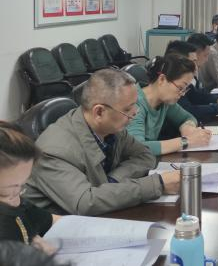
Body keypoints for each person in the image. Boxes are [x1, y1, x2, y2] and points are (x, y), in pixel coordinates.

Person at [23, 69, 179, 215]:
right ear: (99, 112)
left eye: (135, 105)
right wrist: (157, 184)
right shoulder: (54, 150)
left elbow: (144, 155)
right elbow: (86, 202)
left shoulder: (112, 128)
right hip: (51, 228)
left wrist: (113, 180)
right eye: (127, 109)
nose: (134, 113)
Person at [126, 53, 212, 155]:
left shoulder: (164, 101)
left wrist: (187, 127)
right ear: (162, 79)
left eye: (185, 89)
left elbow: (188, 117)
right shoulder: (134, 103)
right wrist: (186, 141)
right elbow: (137, 148)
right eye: (180, 88)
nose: (182, 94)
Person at [0, 122, 58, 247]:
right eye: (4, 194)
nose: (17, 202)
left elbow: (50, 220)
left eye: (21, 187)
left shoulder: (19, 204)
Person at [164, 39, 218, 122]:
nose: (195, 66)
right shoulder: (172, 85)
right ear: (178, 62)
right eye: (193, 61)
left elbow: (196, 96)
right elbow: (189, 111)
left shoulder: (183, 82)